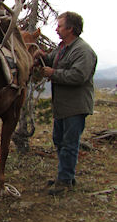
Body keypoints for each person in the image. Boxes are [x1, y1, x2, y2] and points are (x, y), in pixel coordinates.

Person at [35, 11, 97, 196]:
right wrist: (41, 55)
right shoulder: (63, 48)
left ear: (70, 29)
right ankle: (66, 176)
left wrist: (53, 73)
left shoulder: (83, 50)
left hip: (75, 106)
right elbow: (50, 59)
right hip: (63, 106)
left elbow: (79, 76)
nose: (56, 29)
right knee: (59, 140)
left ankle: (64, 181)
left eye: (60, 26)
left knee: (69, 143)